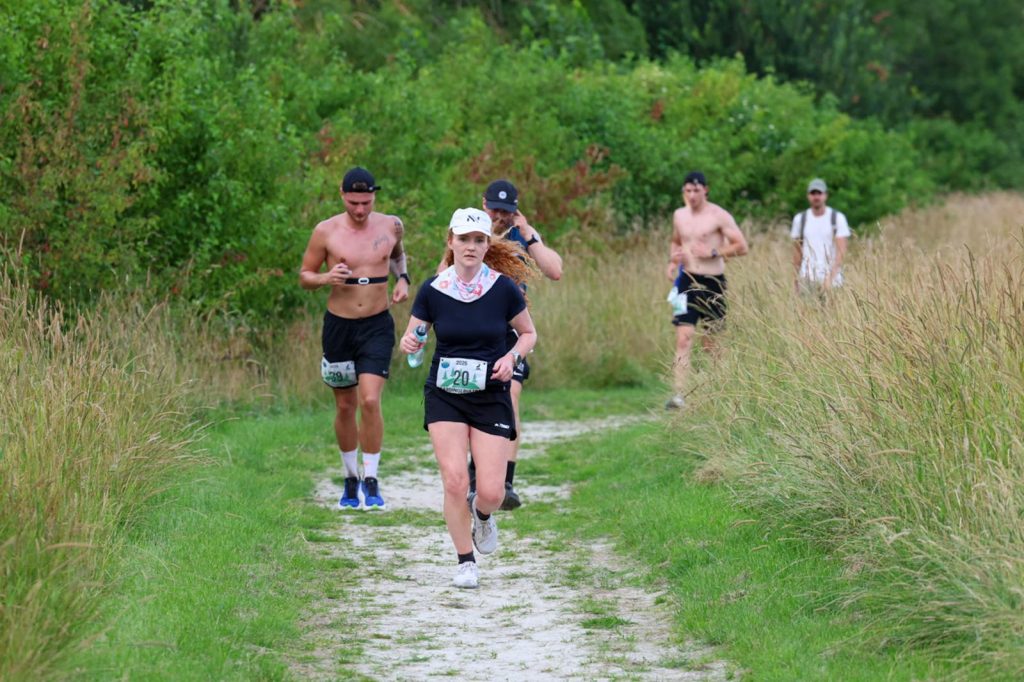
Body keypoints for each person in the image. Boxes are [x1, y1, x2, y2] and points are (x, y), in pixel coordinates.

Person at [402, 207, 537, 589]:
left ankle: (483, 516)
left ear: (487, 244)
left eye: (478, 240)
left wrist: (512, 358)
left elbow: (528, 334)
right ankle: (465, 561)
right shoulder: (434, 289)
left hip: (490, 392)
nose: (471, 246)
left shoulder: (503, 288)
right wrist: (410, 343)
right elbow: (414, 340)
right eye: (464, 239)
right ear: (451, 241)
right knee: (455, 481)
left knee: (491, 492)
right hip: (445, 393)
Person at [299, 167, 410, 510]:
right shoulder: (325, 231)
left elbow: (397, 255)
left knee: (370, 400)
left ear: (374, 196)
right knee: (346, 405)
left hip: (377, 324)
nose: (360, 210)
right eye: (353, 203)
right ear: (342, 195)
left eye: (366, 202)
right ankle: (350, 477)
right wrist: (325, 278)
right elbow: (305, 275)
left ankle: (371, 478)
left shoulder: (392, 225)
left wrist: (403, 278)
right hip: (340, 326)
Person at [472, 179, 562, 510]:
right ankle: (476, 475)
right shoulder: (470, 232)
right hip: (472, 329)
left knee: (509, 394)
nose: (499, 217)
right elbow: (442, 274)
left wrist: (528, 233)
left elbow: (554, 270)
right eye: (494, 210)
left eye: (506, 211)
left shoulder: (521, 234)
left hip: (511, 333)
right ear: (484, 204)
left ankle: (506, 481)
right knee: (472, 400)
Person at [665, 171, 749, 409]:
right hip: (686, 281)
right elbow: (676, 240)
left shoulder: (718, 215)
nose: (692, 195)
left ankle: (721, 390)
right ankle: (679, 395)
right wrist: (673, 260)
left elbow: (742, 246)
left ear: (705, 190)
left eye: (696, 190)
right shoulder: (679, 215)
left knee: (710, 343)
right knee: (683, 338)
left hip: (712, 282)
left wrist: (713, 252)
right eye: (687, 191)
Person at [791, 178, 851, 293]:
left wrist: (830, 278)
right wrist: (796, 280)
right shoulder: (800, 219)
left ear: (825, 195)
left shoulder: (837, 218)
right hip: (807, 279)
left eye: (819, 193)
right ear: (808, 196)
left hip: (833, 282)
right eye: (813, 193)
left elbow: (841, 252)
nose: (816, 197)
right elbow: (797, 251)